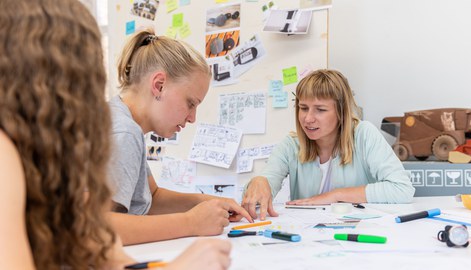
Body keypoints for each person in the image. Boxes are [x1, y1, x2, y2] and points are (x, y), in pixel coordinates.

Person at [0, 0, 231, 269]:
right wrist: (190, 226)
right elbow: (103, 224)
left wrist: (205, 205)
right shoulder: (121, 129)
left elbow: (101, 234)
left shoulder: (47, 156)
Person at [109, 29, 253, 245]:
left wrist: (212, 202)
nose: (192, 118)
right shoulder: (123, 131)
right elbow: (96, 228)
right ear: (159, 85)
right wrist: (190, 223)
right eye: (190, 103)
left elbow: (151, 198)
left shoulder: (122, 121)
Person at [242, 69, 415, 220]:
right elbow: (261, 190)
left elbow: (402, 189)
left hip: (359, 234)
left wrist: (336, 195)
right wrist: (259, 181)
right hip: (309, 239)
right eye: (303, 108)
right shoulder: (291, 145)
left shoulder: (364, 134)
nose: (308, 118)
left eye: (320, 109)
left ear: (341, 112)